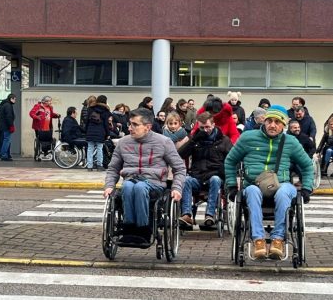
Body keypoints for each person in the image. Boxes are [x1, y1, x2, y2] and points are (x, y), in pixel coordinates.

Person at [224, 105, 314, 260]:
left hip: (282, 184)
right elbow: (230, 161)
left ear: (283, 125)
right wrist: (232, 185)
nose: (273, 125)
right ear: (264, 121)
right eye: (270, 121)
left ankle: (278, 240)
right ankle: (258, 240)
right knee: (252, 191)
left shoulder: (290, 142)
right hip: (254, 185)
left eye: (277, 122)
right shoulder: (247, 138)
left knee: (284, 191)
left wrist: (306, 188)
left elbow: (307, 165)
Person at [103, 107, 186, 242]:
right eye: (130, 124)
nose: (130, 128)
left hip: (154, 183)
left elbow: (180, 168)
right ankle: (129, 228)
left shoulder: (164, 142)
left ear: (148, 127)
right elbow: (113, 168)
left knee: (140, 187)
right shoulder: (123, 143)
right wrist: (109, 186)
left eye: (135, 124)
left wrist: (177, 188)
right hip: (131, 180)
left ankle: (143, 229)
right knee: (128, 186)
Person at [178, 112, 233, 229]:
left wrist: (224, 171)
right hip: (198, 176)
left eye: (207, 127)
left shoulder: (224, 140)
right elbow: (180, 155)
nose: (205, 130)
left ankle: (210, 214)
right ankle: (186, 214)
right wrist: (193, 141)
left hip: (215, 175)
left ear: (213, 125)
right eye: (202, 127)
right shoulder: (196, 139)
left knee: (215, 179)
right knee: (186, 180)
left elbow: (232, 160)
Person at [85, 95, 111, 171]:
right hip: (100, 131)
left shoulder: (90, 109)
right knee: (99, 148)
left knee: (90, 148)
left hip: (90, 130)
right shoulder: (105, 111)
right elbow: (106, 124)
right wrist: (108, 133)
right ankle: (99, 166)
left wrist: (86, 130)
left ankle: (89, 166)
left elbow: (87, 121)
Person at [287, 120, 316, 184]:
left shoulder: (304, 137)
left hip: (301, 159)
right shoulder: (286, 137)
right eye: (295, 128)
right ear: (290, 128)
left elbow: (313, 148)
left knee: (300, 168)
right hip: (290, 160)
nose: (297, 129)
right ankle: (288, 185)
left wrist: (308, 156)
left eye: (298, 127)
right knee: (286, 168)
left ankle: (305, 185)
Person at [0, 94, 16, 161]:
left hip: (3, 126)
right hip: (6, 126)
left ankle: (6, 154)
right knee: (6, 140)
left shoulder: (4, 105)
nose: (15, 100)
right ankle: (4, 155)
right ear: (11, 99)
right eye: (14, 99)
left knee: (5, 140)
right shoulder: (8, 106)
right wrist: (11, 125)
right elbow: (9, 116)